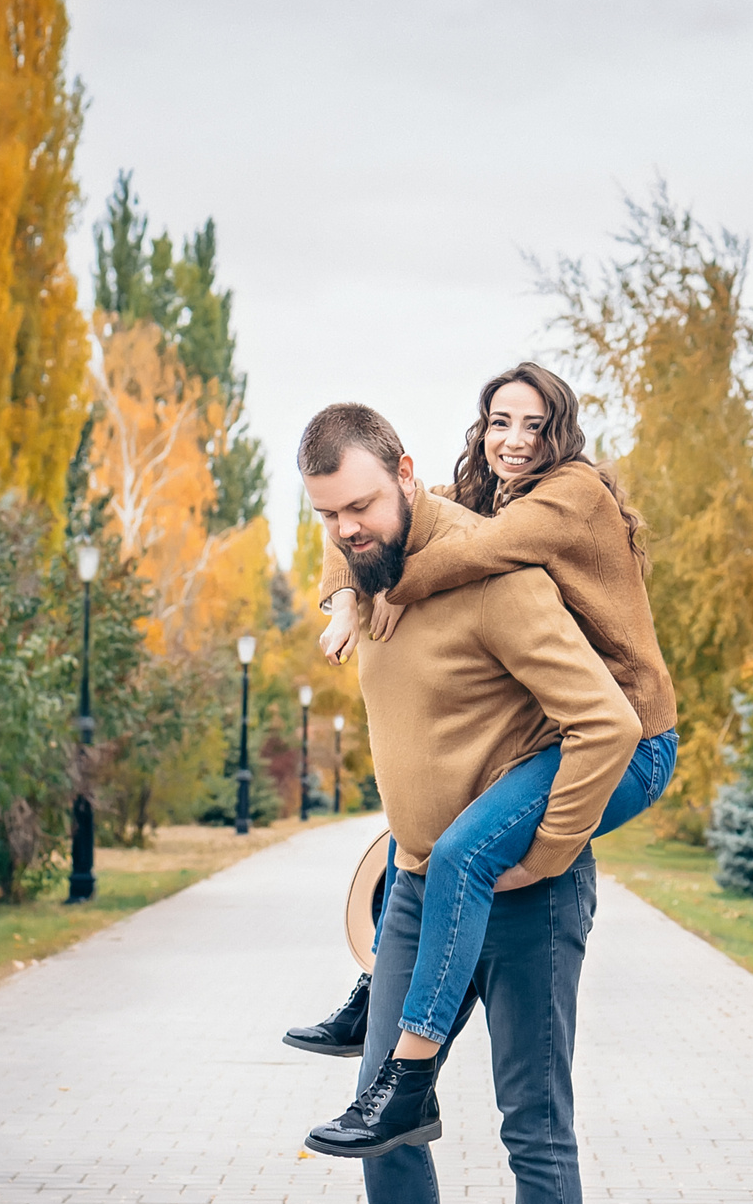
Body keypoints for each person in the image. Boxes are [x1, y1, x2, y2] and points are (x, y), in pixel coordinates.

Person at [293, 401, 638, 1204]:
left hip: (523, 896)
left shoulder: (493, 575)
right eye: (328, 515)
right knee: (379, 1112)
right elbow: (348, 567)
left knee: (533, 1127)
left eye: (360, 504)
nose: (348, 527)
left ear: (405, 471)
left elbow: (606, 722)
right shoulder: (369, 565)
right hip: (415, 890)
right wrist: (343, 583)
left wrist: (550, 847)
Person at [282, 364, 680, 1134]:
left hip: (631, 737)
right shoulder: (483, 490)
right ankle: (379, 992)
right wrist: (344, 594)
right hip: (570, 734)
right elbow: (364, 519)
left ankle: (411, 1069)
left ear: (559, 430)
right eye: (500, 421)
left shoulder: (571, 496)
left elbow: (464, 552)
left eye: (534, 424)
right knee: (421, 828)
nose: (515, 439)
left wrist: (386, 585)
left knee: (464, 851)